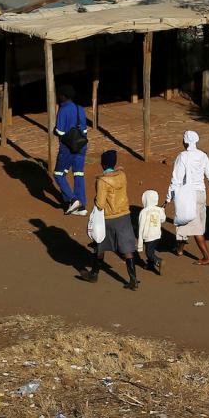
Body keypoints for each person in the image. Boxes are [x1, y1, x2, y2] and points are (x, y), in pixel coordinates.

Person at [83, 150, 138, 289]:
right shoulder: (122, 175)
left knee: (100, 246)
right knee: (127, 248)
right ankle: (133, 280)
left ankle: (94, 274)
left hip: (109, 217)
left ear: (103, 164)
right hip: (124, 214)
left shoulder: (102, 180)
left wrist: (95, 201)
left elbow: (100, 203)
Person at [166, 130, 209, 266]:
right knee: (185, 223)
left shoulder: (182, 157)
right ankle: (179, 249)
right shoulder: (203, 156)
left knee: (190, 223)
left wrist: (168, 197)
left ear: (184, 142)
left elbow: (176, 179)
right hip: (200, 194)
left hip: (186, 195)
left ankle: (206, 256)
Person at [53, 84, 89, 215]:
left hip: (67, 148)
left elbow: (60, 131)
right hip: (81, 146)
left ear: (63, 96)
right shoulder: (80, 109)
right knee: (78, 174)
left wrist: (54, 131)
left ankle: (73, 199)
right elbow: (84, 130)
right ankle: (81, 206)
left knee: (58, 174)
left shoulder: (63, 110)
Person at [136, 189, 166, 275]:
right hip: (157, 235)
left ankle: (158, 261)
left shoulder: (144, 212)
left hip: (149, 236)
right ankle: (150, 265)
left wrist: (140, 244)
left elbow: (141, 227)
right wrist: (163, 211)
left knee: (149, 253)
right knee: (151, 250)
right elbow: (163, 220)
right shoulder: (159, 209)